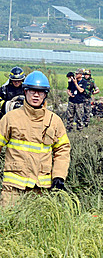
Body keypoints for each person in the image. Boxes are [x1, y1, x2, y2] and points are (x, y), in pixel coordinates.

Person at [0, 71, 70, 206]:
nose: (36, 95)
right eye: (32, 91)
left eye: (40, 92)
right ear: (25, 92)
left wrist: (59, 176)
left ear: (45, 94)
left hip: (41, 191)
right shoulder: (10, 118)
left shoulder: (54, 121)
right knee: (8, 225)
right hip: (12, 190)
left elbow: (63, 151)